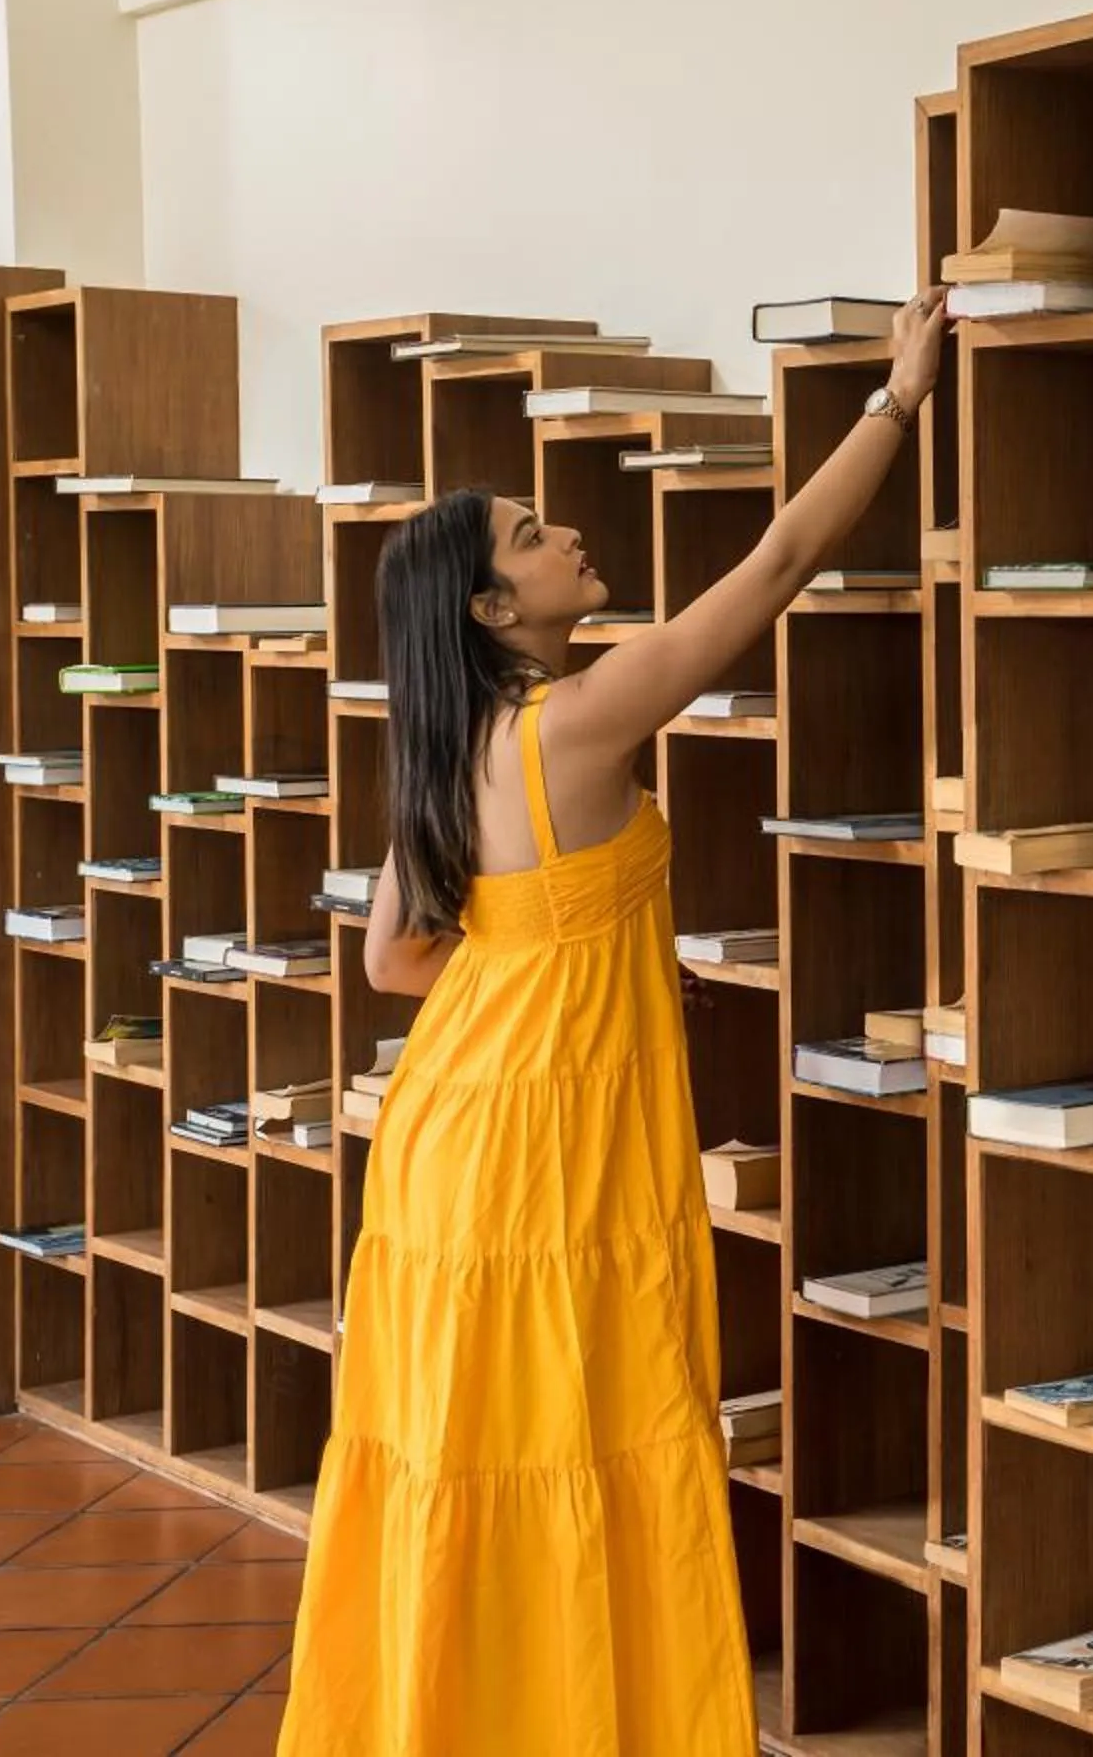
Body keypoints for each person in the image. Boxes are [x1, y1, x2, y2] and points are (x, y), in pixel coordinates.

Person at [277, 290, 952, 1755]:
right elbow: (776, 563)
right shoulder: (572, 722)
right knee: (590, 1438)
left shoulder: (446, 750)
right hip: (560, 1143)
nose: (567, 534)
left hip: (452, 1132)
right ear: (491, 607)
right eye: (531, 535)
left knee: (468, 1453)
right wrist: (898, 396)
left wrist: (559, 953)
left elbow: (396, 965)